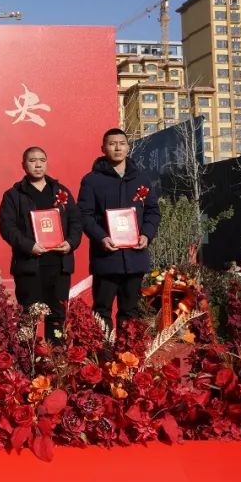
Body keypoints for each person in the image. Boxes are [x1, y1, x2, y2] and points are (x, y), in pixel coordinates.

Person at [77, 128, 160, 332]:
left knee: (130, 312)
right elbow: (84, 215)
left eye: (122, 143)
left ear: (128, 147)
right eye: (112, 144)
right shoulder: (92, 180)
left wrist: (146, 234)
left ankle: (127, 351)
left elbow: (152, 211)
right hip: (106, 258)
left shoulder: (141, 178)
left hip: (135, 257)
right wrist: (101, 237)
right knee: (102, 311)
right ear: (103, 148)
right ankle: (103, 351)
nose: (117, 148)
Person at [0, 146, 82, 344]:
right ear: (23, 165)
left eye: (42, 160)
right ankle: (28, 359)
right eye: (32, 160)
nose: (38, 165)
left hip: (59, 265)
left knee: (57, 316)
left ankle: (56, 357)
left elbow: (76, 222)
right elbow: (6, 226)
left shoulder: (61, 192)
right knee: (28, 316)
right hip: (29, 266)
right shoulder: (13, 195)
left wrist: (70, 243)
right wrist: (29, 246)